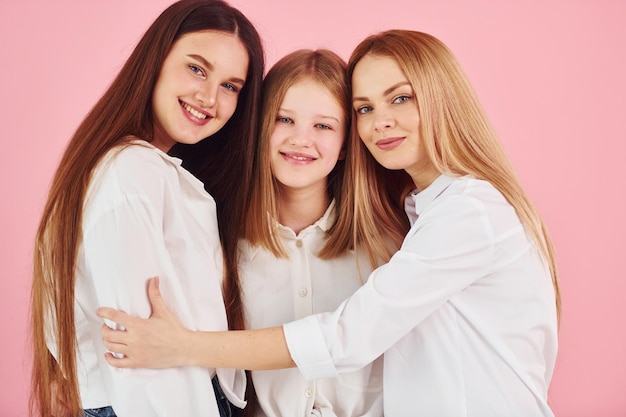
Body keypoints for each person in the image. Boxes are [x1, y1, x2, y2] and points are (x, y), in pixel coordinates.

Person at [97, 29, 561, 417]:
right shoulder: (424, 213)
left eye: (400, 98)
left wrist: (184, 346)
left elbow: (348, 337)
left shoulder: (460, 215)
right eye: (365, 108)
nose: (381, 122)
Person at [29, 0, 264, 416]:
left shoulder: (140, 167)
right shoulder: (131, 170)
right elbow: (138, 353)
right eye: (196, 68)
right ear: (156, 60)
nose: (209, 97)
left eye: (230, 86)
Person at [238, 49, 390, 417]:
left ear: (343, 146)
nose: (301, 139)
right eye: (284, 119)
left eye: (323, 126)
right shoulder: (227, 244)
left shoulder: (388, 246)